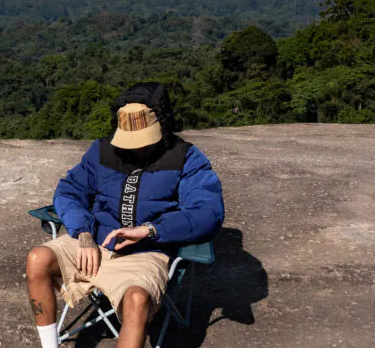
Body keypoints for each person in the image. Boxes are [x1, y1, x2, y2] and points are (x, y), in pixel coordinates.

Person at [25, 82, 225, 348]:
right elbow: (69, 191)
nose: (135, 149)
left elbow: (207, 211)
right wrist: (83, 233)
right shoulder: (102, 151)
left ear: (162, 127)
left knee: (137, 300)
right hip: (93, 241)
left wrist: (151, 229)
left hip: (146, 252)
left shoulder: (186, 158)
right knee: (37, 259)